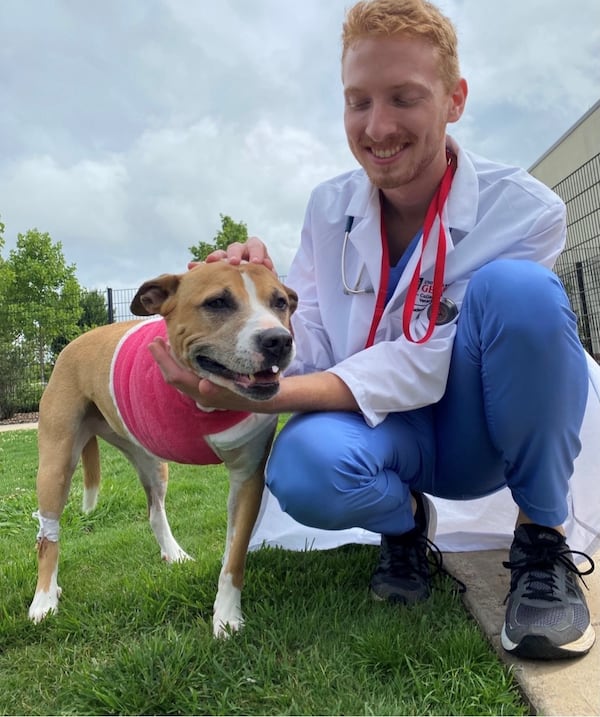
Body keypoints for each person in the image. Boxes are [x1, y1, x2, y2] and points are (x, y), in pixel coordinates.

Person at [150, 0, 598, 660]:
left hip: (479, 430)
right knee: (301, 466)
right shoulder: (329, 208)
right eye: (357, 101)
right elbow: (317, 346)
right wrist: (263, 299)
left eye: (404, 98)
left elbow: (425, 364)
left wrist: (263, 398)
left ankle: (540, 542)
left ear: (455, 99)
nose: (377, 125)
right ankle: (405, 526)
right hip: (392, 437)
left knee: (521, 293)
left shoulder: (526, 211)